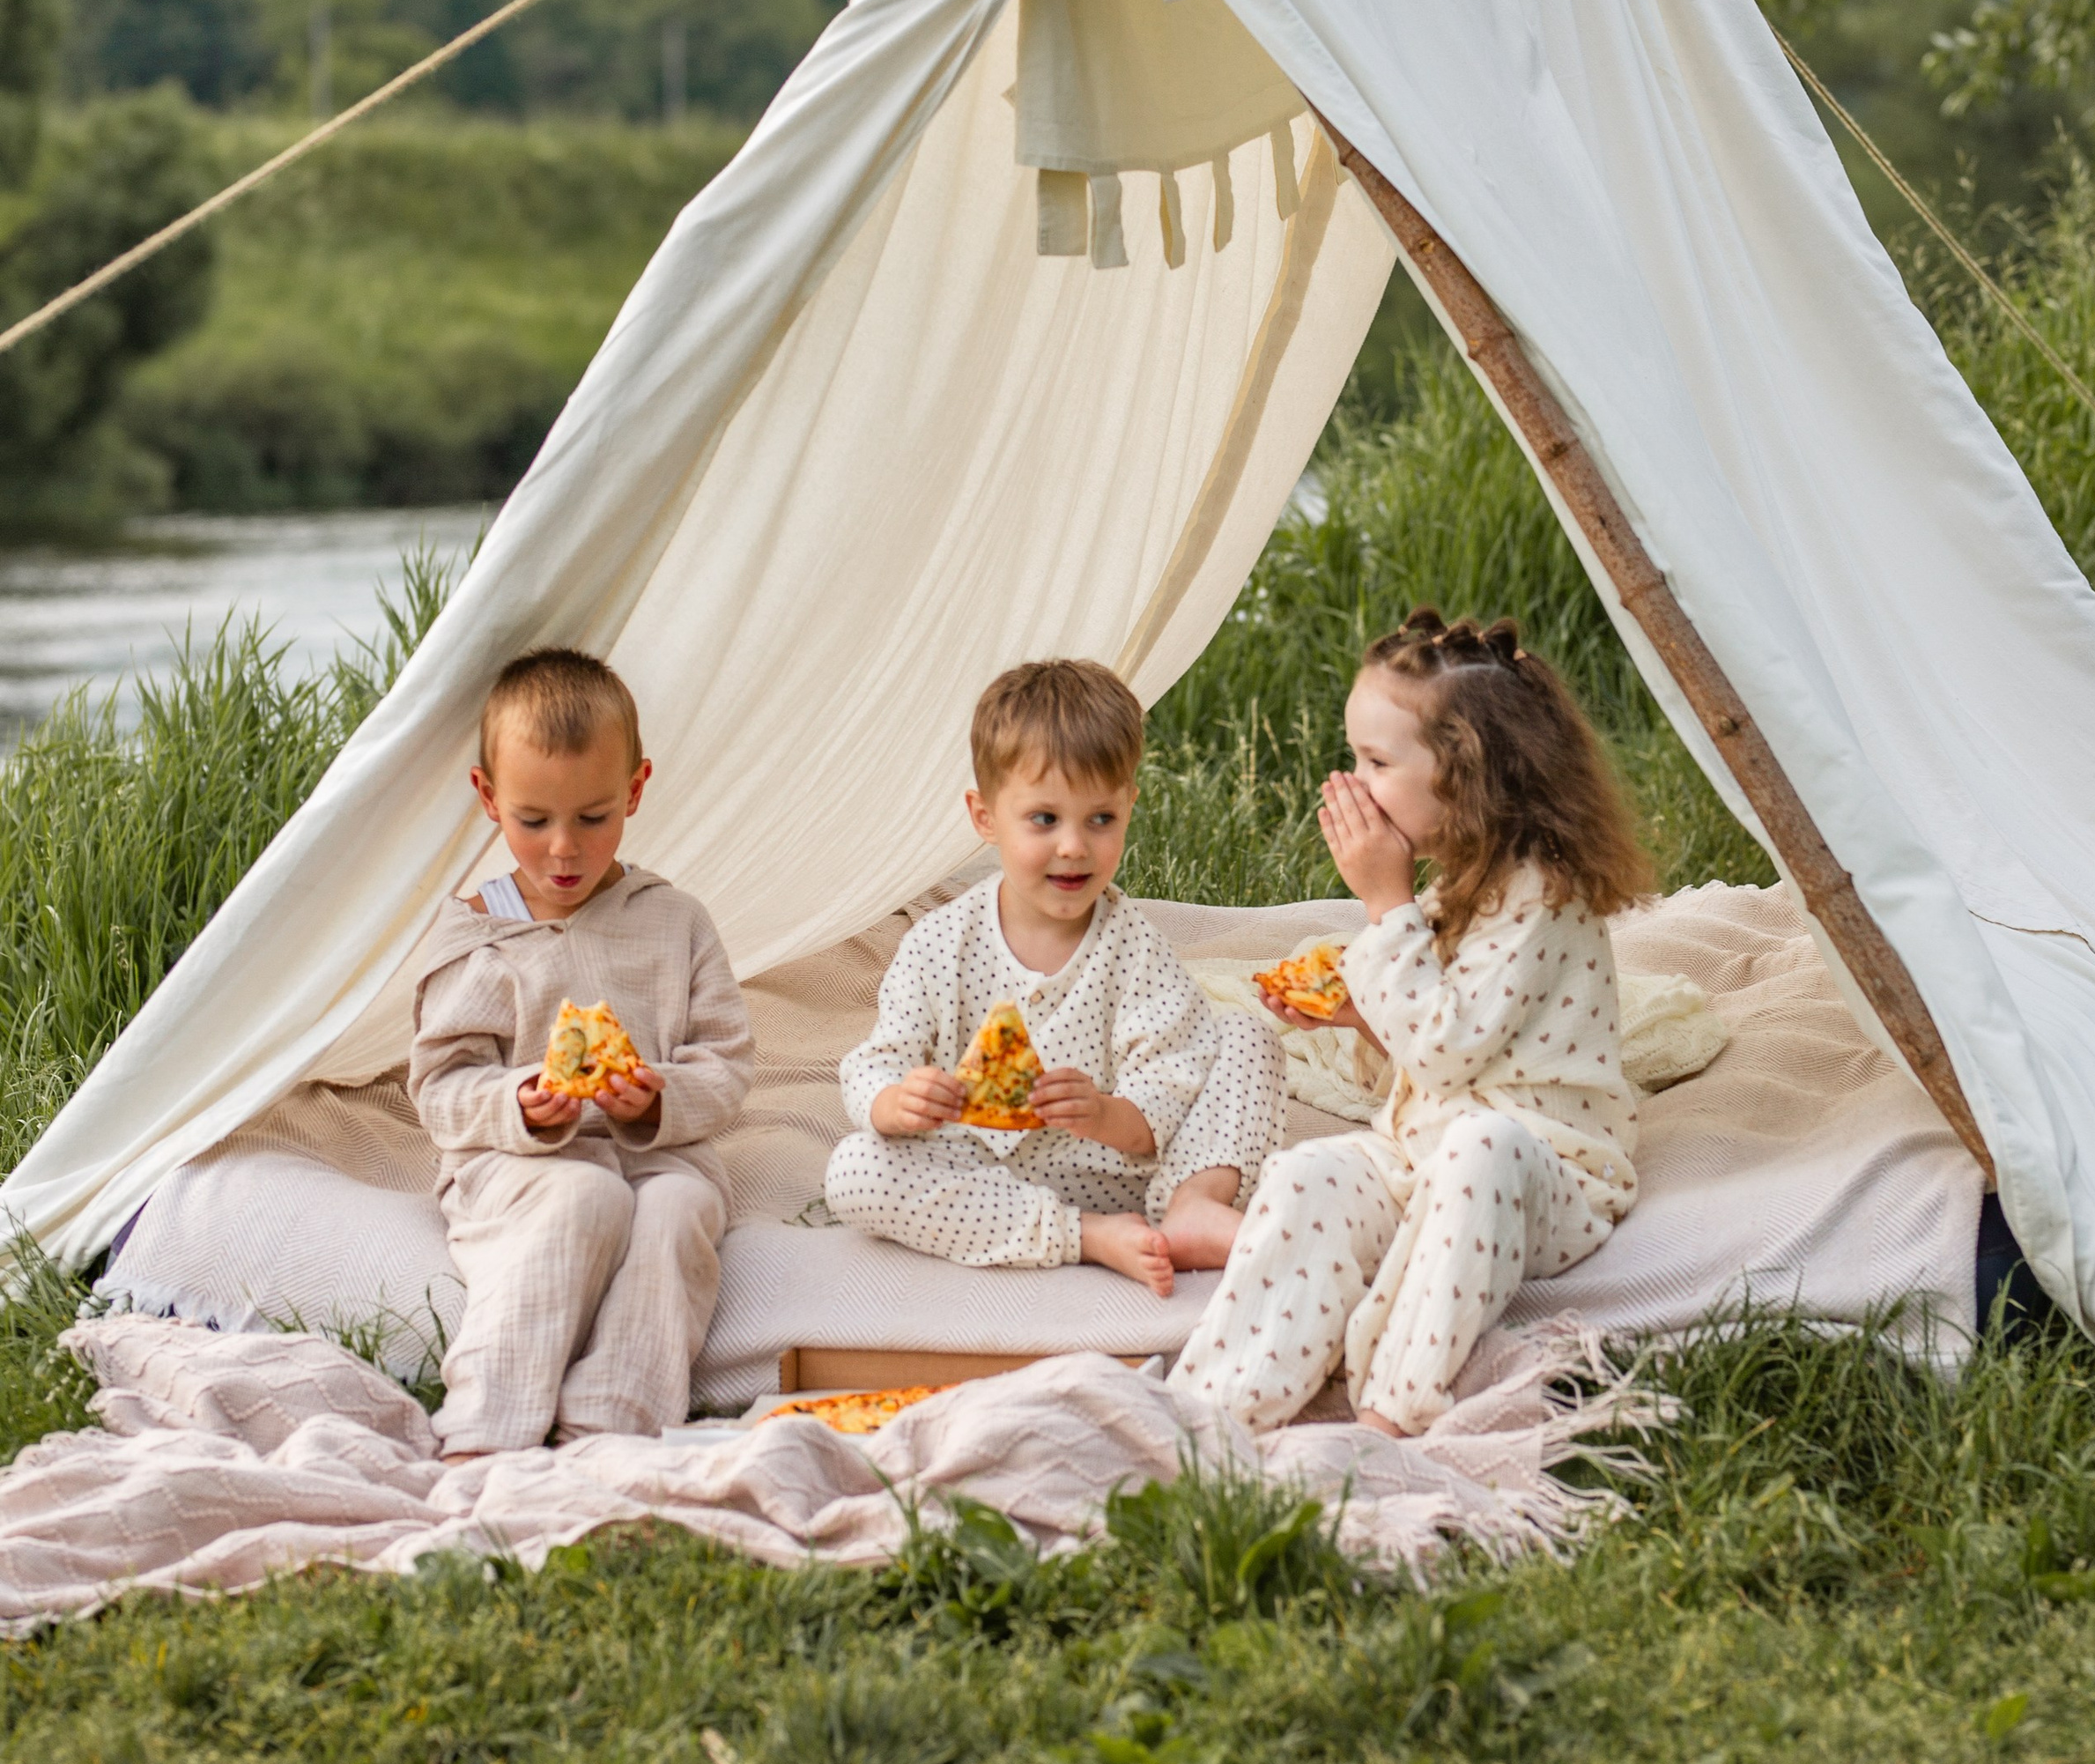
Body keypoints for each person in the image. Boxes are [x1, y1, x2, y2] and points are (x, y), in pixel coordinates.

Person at [1171, 609, 1647, 1435]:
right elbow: (1425, 1048)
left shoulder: (1542, 893)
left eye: (1376, 761)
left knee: (1479, 1143)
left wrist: (1382, 901)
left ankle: (1394, 1409)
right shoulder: (1456, 884)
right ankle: (1216, 1408)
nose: (1352, 782)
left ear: (1467, 777)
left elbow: (1450, 1052)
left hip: (1538, 1174)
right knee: (1308, 1171)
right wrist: (1357, 1017)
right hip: (1420, 1155)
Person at [825, 659, 1284, 1297]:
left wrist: (1103, 1114)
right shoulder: (939, 943)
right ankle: (1087, 1237)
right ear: (985, 817)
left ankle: (1191, 1208)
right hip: (982, 1174)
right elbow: (877, 1060)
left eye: (1101, 819)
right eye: (1044, 819)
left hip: (1126, 1176)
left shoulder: (1133, 947)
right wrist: (895, 1103)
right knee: (855, 1170)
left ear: (1129, 805)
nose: (1074, 846)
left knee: (1244, 1035)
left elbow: (1167, 1091)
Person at [407, 648, 752, 1458]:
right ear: (489, 798)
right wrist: (516, 1102)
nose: (563, 849)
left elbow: (728, 1065)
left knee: (673, 1211)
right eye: (534, 821)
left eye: (593, 819)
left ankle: (614, 1417)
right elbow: (441, 1086)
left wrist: (659, 1096)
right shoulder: (478, 933)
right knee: (585, 1198)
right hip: (513, 1163)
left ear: (635, 790)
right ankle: (486, 1421)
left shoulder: (675, 922)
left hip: (661, 1156)